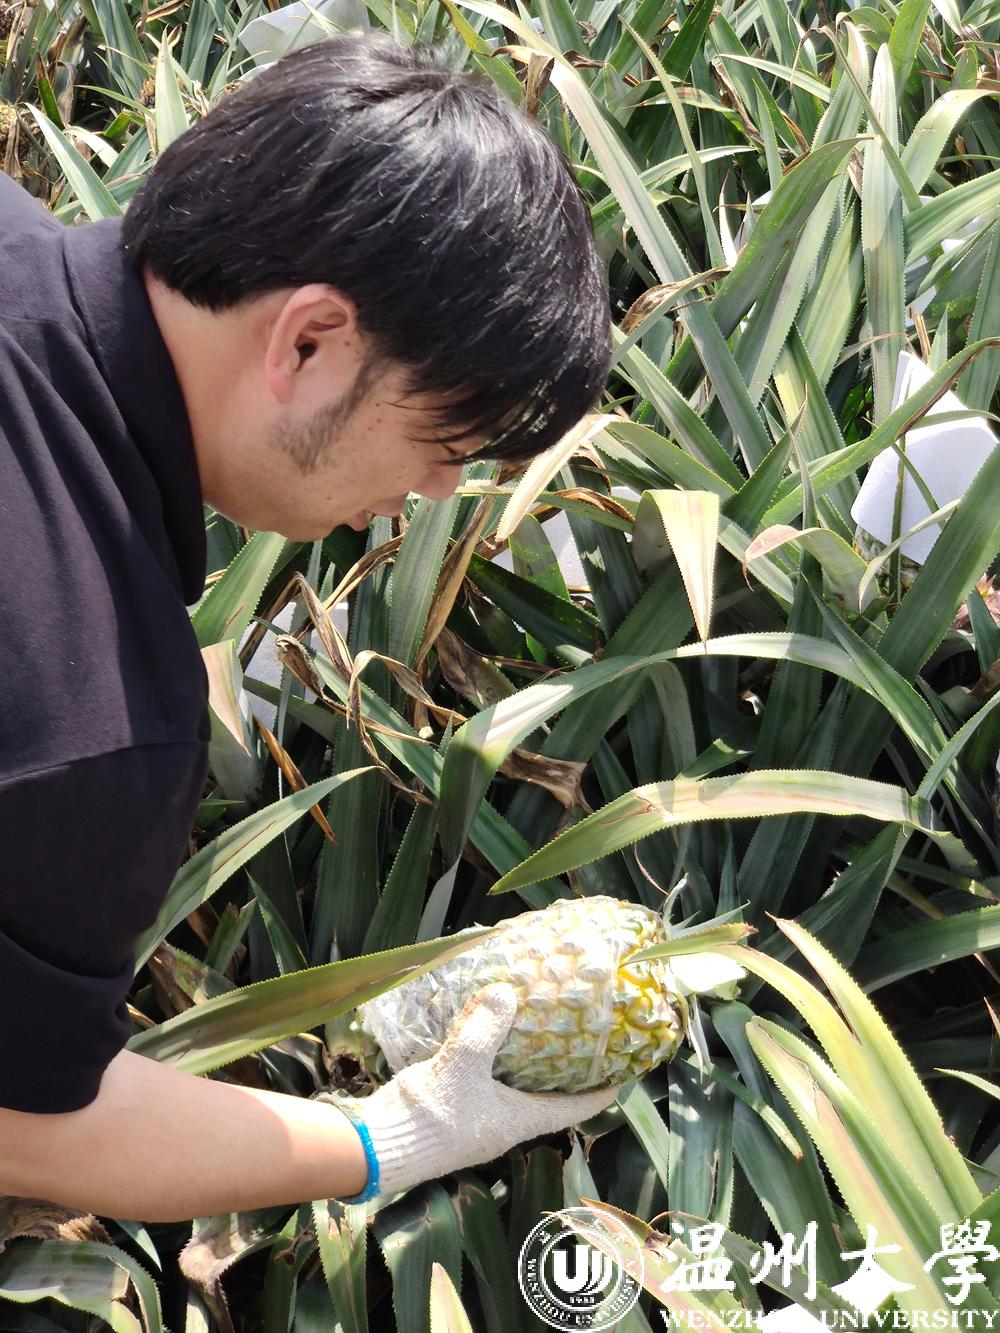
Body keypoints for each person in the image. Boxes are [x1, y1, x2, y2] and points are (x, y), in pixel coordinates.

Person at [0, 32, 617, 1222]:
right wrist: (394, 1135)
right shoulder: (92, 726)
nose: (437, 492)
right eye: (445, 439)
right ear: (308, 340)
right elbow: (29, 1127)